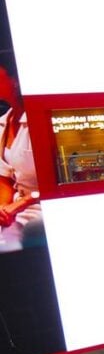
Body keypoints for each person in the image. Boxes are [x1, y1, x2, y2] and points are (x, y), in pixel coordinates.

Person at [0, 64, 41, 253]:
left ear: (15, 80)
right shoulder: (3, 123)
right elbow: (5, 179)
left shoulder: (38, 119)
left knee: (10, 248)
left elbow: (57, 186)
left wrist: (21, 204)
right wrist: (3, 208)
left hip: (41, 206)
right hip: (17, 207)